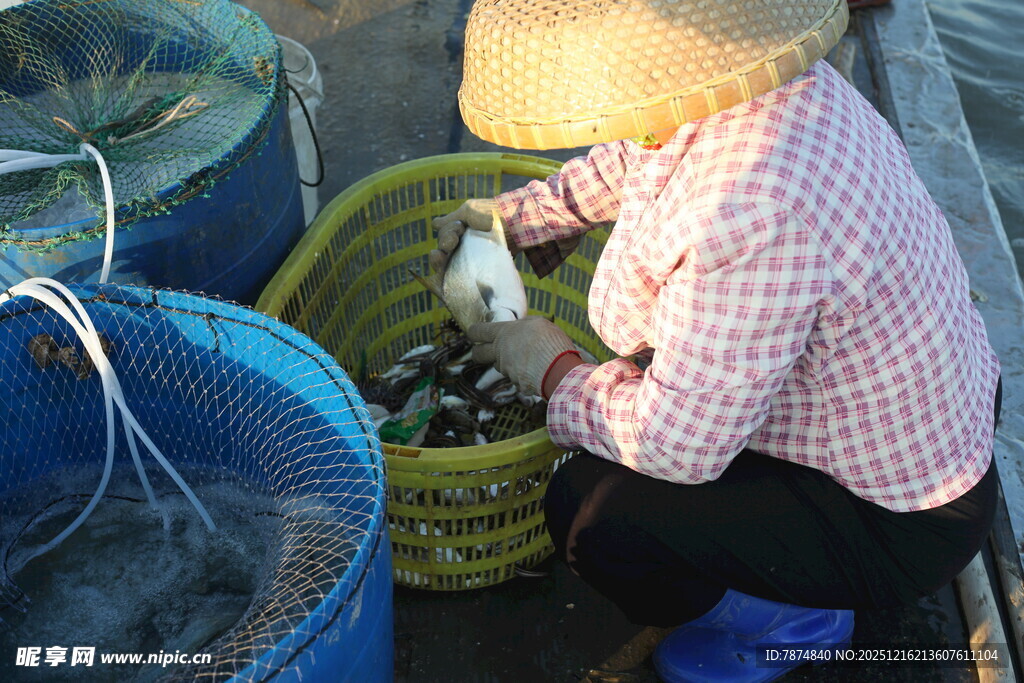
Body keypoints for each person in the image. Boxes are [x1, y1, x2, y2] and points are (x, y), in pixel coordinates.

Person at [430, 1, 1001, 680]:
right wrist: (519, 217)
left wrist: (553, 368)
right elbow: (639, 151)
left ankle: (796, 618)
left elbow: (675, 444)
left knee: (591, 516)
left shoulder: (753, 203)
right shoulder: (755, 76)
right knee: (622, 425)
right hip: (907, 422)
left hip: (905, 513)